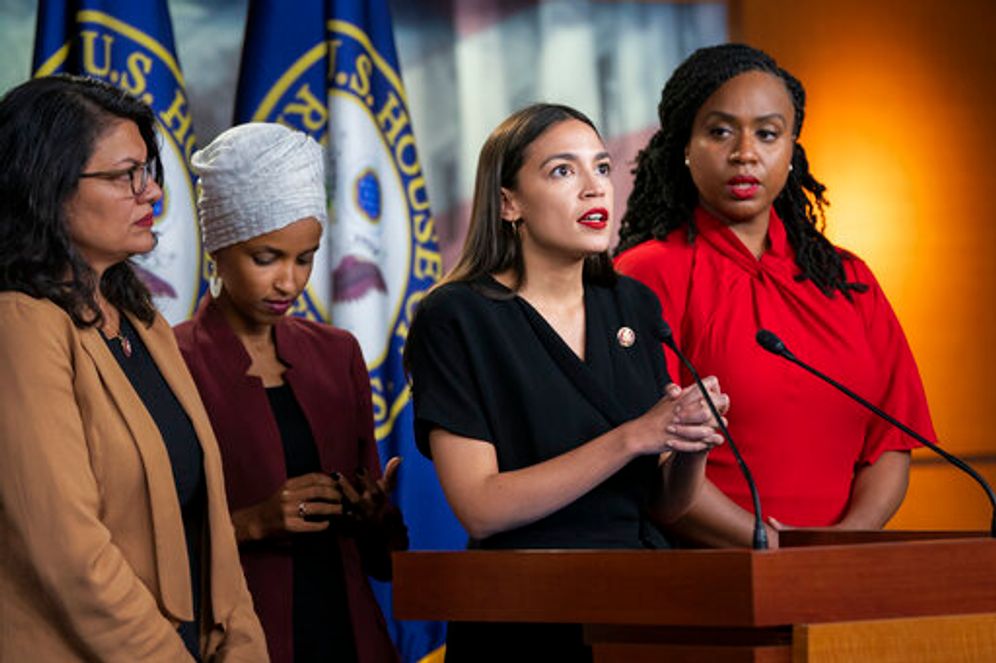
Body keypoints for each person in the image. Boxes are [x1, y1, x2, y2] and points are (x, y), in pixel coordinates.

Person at [405, 103, 728, 661]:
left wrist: (689, 439)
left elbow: (664, 505)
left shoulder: (632, 304)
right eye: (562, 171)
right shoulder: (458, 316)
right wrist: (633, 436)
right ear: (509, 203)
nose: (593, 189)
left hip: (640, 611)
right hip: (523, 616)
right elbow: (480, 505)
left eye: (601, 168)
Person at [615, 43, 936, 548]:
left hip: (837, 586)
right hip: (707, 581)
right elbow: (649, 456)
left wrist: (841, 548)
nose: (746, 153)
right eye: (720, 131)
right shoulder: (645, 274)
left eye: (768, 134)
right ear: (684, 145)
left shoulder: (848, 278)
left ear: (792, 150)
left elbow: (891, 441)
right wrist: (770, 545)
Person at [0, 75, 267, 661]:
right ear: (47, 185)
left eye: (150, 172)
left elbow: (212, 532)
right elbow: (69, 555)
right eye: (127, 176)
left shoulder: (143, 321)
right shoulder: (19, 325)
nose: (152, 195)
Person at [175, 122, 408, 663]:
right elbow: (145, 544)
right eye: (267, 258)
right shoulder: (172, 362)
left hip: (352, 636)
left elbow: (386, 559)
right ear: (219, 246)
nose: (289, 282)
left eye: (305, 258)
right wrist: (253, 522)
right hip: (243, 641)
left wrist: (375, 515)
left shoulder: (337, 353)